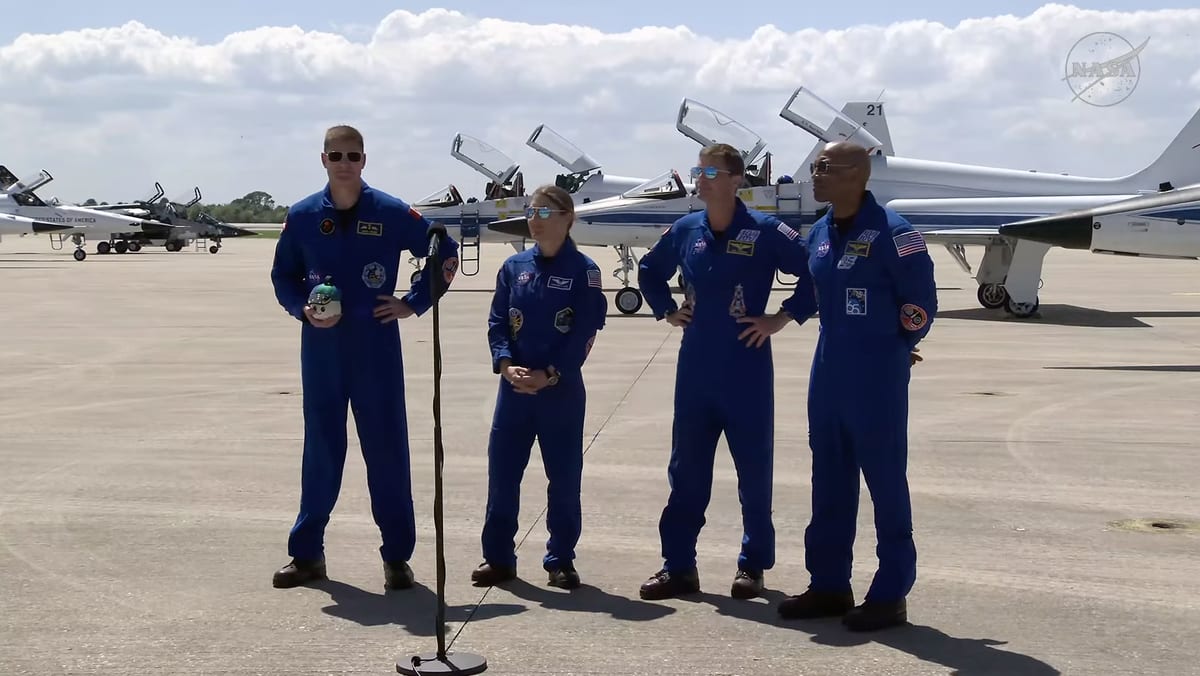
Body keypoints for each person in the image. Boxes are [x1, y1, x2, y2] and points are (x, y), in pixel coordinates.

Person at [268, 124, 461, 590]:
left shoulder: (391, 212)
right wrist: (301, 310)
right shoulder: (302, 215)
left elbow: (444, 252)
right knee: (321, 450)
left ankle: (397, 557)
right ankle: (307, 554)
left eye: (352, 156)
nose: (344, 164)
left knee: (387, 451)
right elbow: (283, 275)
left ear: (364, 160)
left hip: (376, 349)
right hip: (322, 351)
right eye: (336, 156)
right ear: (323, 160)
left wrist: (413, 302)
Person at [635, 143, 819, 601]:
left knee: (753, 472)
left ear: (737, 180)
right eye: (699, 171)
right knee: (686, 471)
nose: (701, 179)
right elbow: (649, 270)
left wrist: (782, 317)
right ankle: (678, 566)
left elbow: (816, 270)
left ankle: (752, 565)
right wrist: (666, 309)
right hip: (696, 369)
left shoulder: (765, 230)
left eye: (712, 172)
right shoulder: (686, 230)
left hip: (746, 368)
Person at [776, 141, 937, 631]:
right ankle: (829, 584)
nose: (814, 174)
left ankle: (890, 593)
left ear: (856, 174)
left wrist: (897, 346)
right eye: (815, 166)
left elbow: (920, 304)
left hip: (875, 376)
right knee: (828, 479)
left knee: (885, 482)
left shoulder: (896, 234)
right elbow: (811, 289)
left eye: (824, 167)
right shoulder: (820, 232)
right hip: (828, 371)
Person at [470, 184, 608, 590]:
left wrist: (550, 374)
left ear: (568, 218)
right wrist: (505, 365)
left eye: (545, 212)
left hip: (560, 392)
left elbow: (584, 331)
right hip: (514, 391)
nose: (535, 220)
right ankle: (498, 558)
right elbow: (498, 321)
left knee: (563, 480)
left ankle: (560, 559)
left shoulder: (585, 271)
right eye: (531, 212)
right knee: (502, 476)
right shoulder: (513, 268)